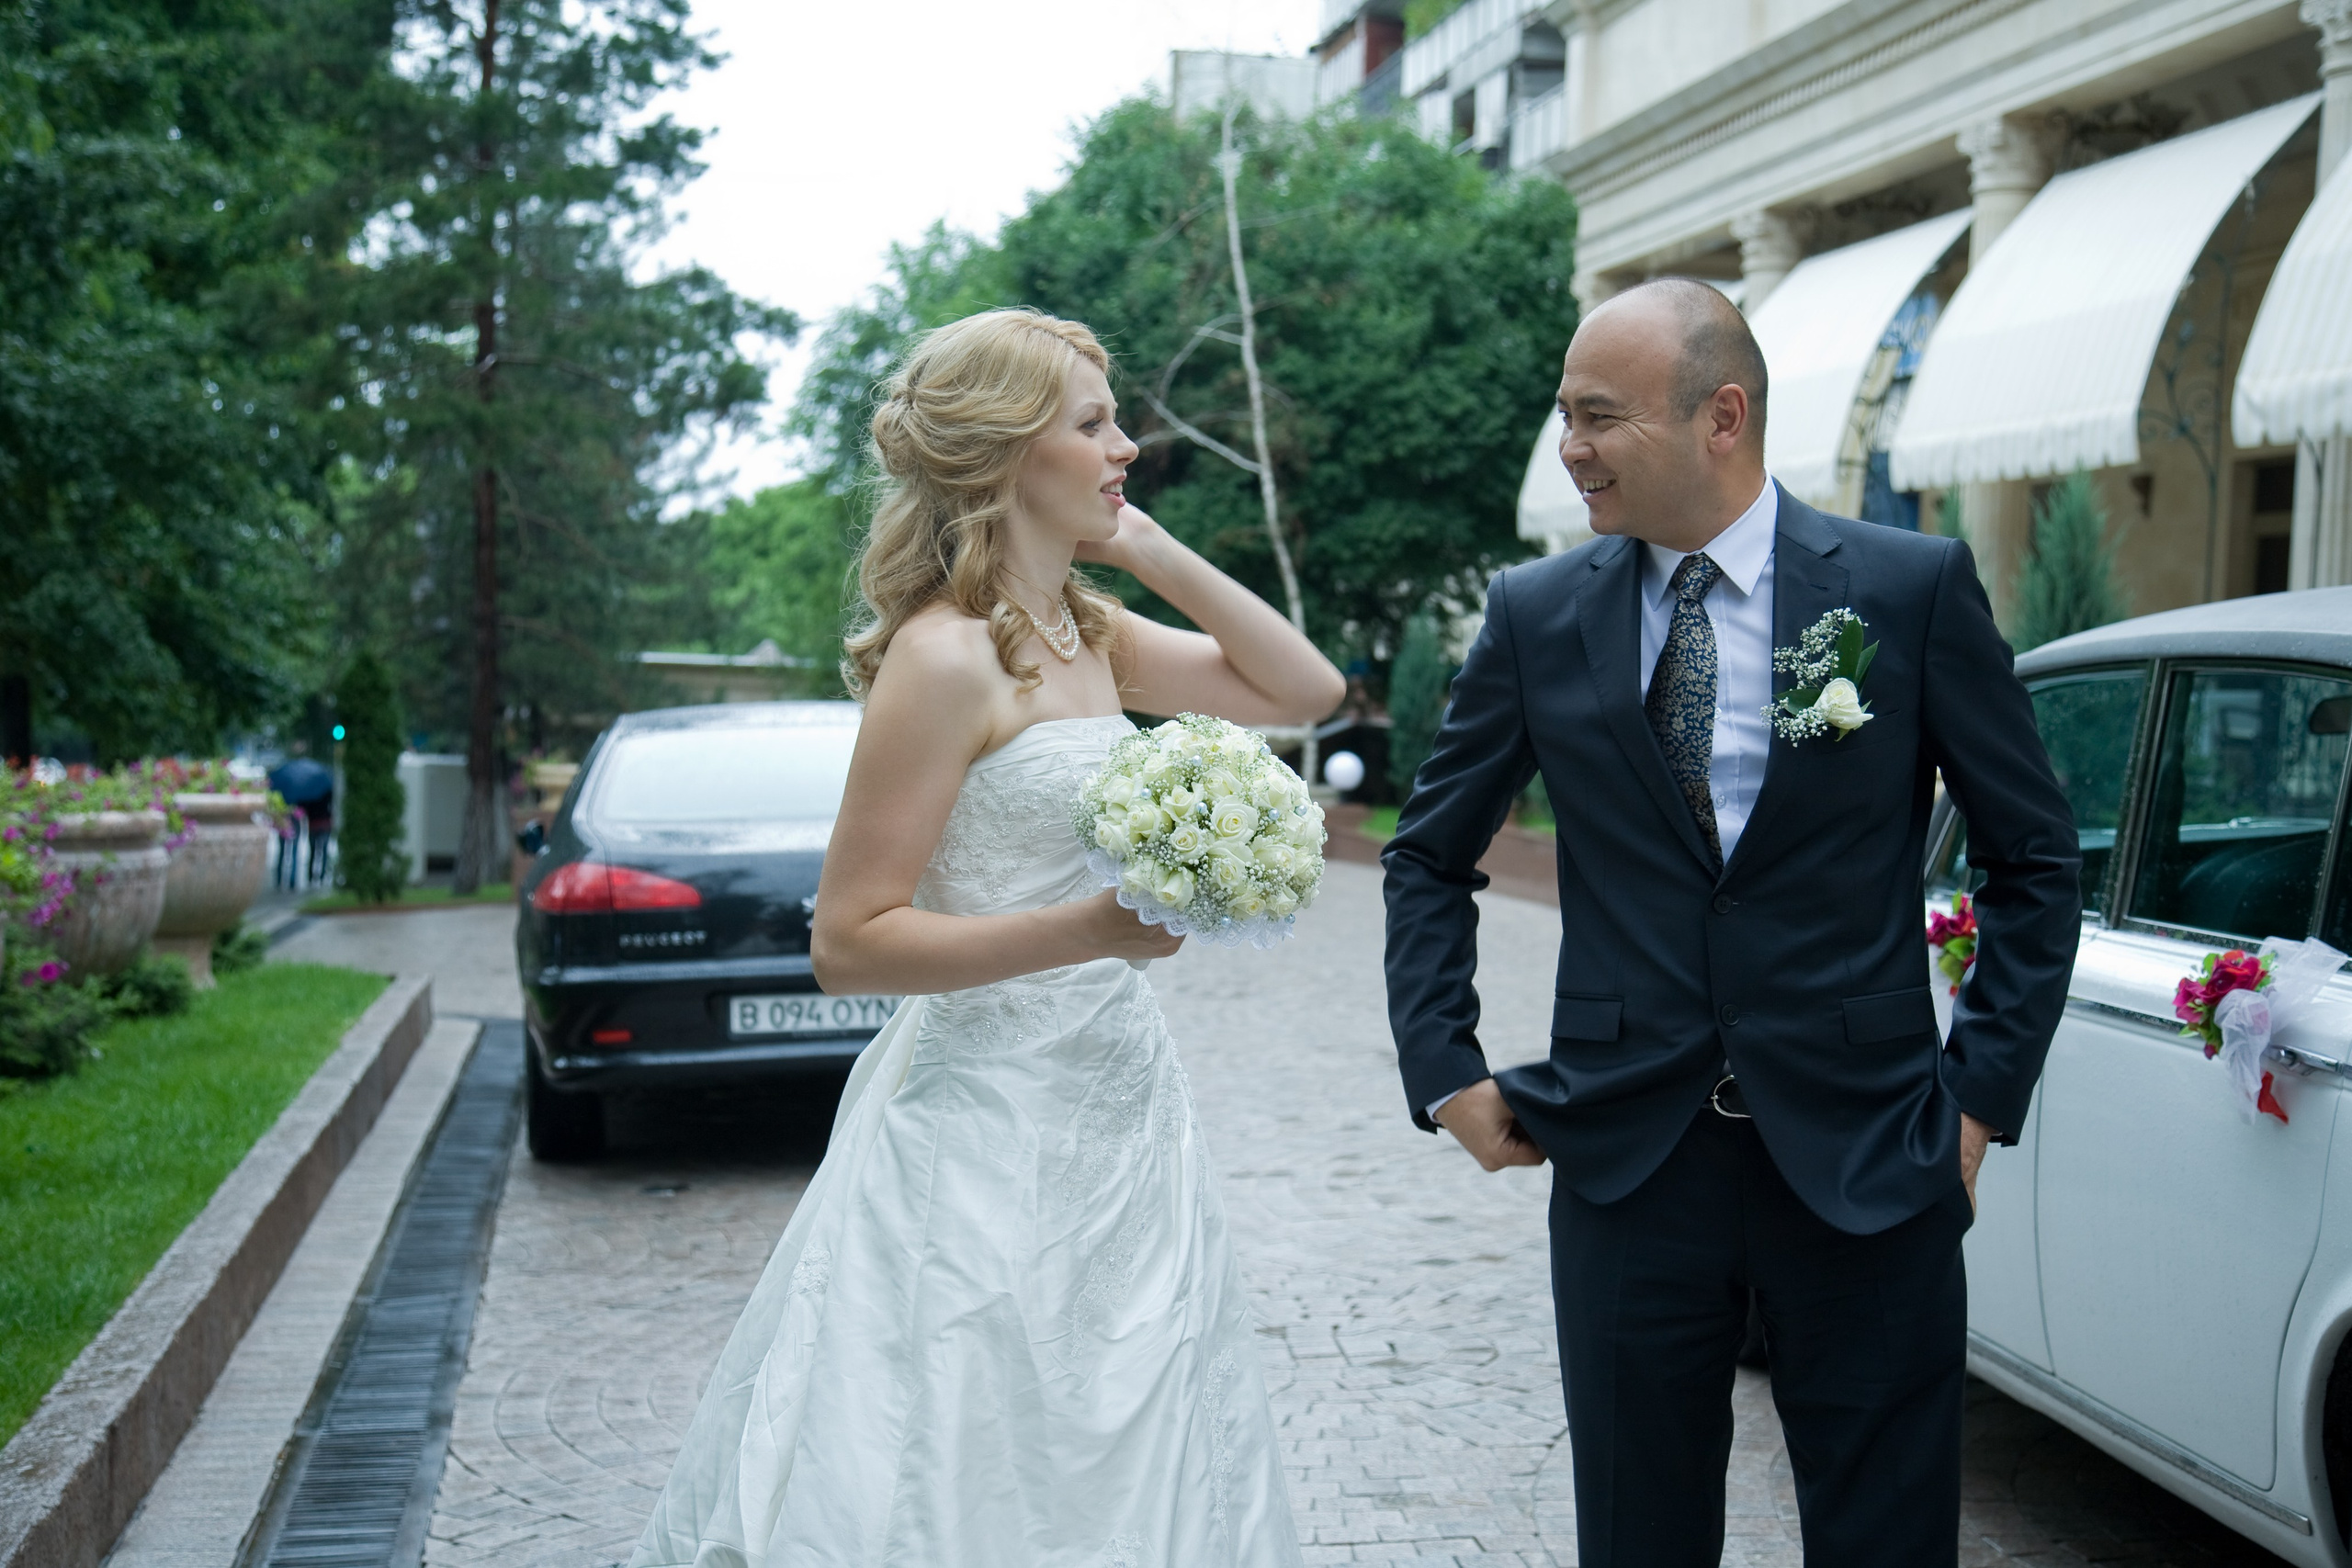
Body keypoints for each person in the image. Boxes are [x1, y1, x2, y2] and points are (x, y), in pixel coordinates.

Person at [1382, 279, 2080, 1567]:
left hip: (1872, 1157)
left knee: (1888, 1540)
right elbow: (1426, 856)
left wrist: (1977, 1101)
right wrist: (1444, 1069)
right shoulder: (1539, 616)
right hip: (1627, 1164)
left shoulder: (1905, 588)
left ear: (1724, 414)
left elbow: (2033, 860)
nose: (1568, 448)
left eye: (1596, 417)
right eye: (1564, 416)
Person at [628, 309, 1341, 1567]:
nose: (1125, 445)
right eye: (1092, 424)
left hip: (1122, 1111)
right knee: (975, 1439)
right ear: (1011, 455)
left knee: (1129, 1429)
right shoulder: (943, 659)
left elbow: (1304, 691)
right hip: (981, 1125)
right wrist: (1083, 929)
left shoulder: (1092, 633)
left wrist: (1153, 551)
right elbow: (850, 943)